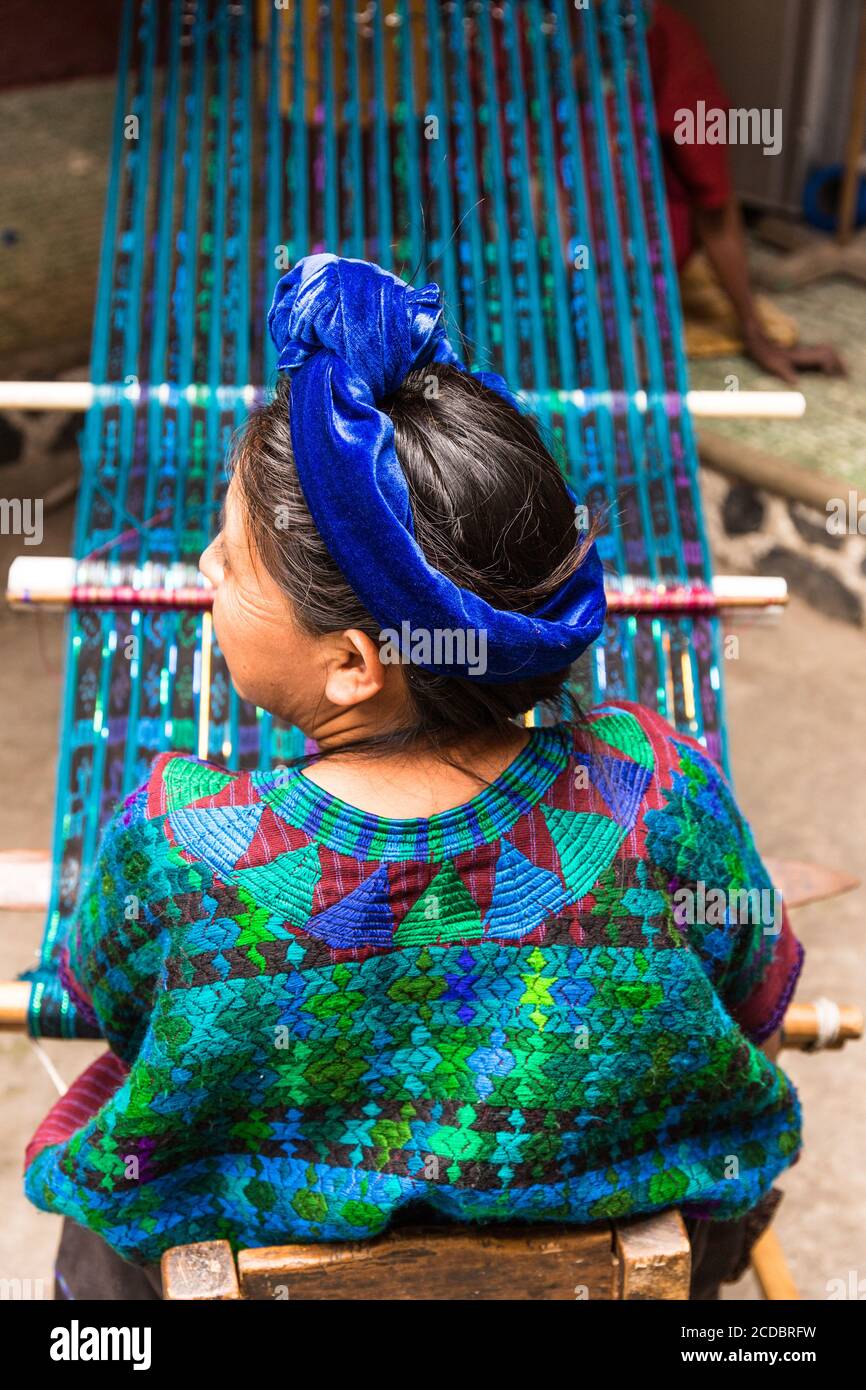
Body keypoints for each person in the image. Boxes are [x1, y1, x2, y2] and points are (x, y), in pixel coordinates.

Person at [25, 255, 804, 1300]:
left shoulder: (176, 846)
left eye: (232, 558)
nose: (202, 566)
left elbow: (109, 1007)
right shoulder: (656, 789)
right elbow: (752, 997)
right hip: (619, 1270)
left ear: (352, 661)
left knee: (117, 1212)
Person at [647, 1, 845, 384]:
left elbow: (712, 195)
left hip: (591, 266)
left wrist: (754, 332)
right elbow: (713, 201)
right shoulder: (514, 37)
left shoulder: (658, 36)